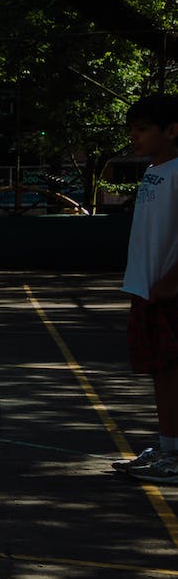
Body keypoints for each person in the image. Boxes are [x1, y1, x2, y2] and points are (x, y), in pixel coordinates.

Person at [112, 95, 178, 484]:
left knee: (172, 370)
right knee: (160, 371)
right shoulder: (155, 171)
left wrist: (170, 283)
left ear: (172, 130)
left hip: (166, 293)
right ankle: (168, 447)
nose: (134, 137)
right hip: (147, 289)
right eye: (131, 130)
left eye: (142, 129)